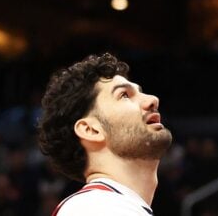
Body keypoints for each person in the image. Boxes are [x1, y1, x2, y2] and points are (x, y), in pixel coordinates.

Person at [37, 53, 172, 215]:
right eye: (124, 95)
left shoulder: (111, 205)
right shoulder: (93, 207)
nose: (152, 99)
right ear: (91, 130)